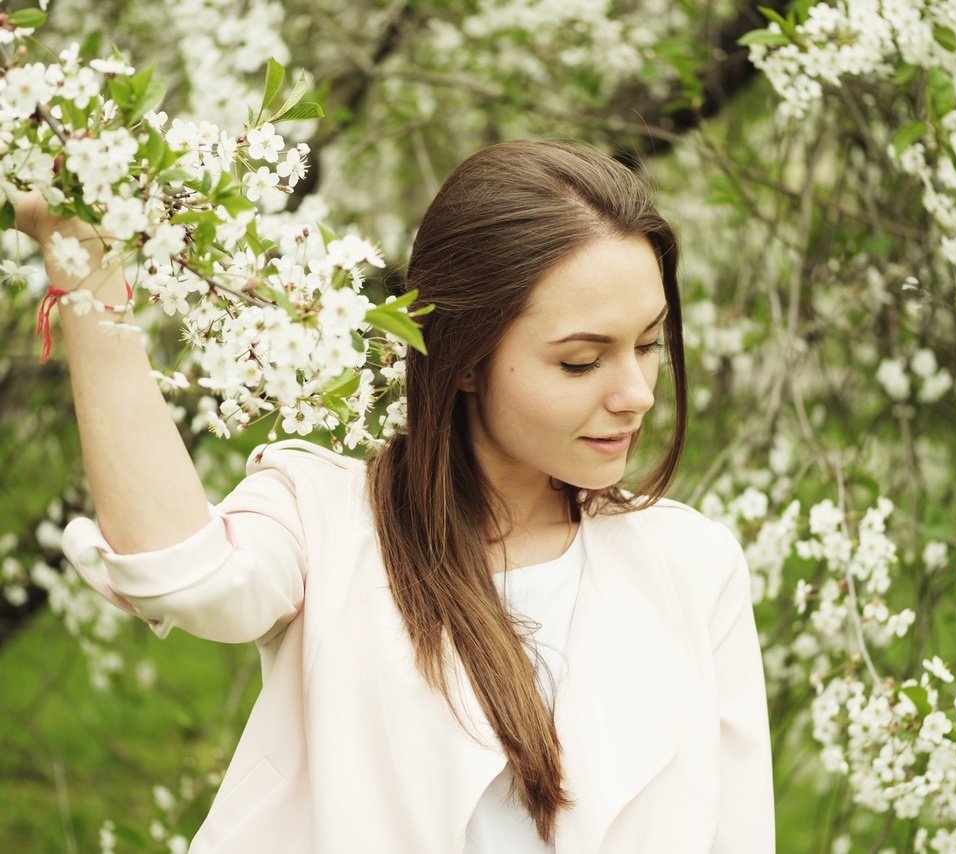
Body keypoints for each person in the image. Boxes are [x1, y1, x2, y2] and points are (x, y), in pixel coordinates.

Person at [13, 140, 775, 853]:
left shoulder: (691, 567)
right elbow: (180, 571)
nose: (637, 394)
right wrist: (87, 266)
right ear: (466, 358)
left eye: (647, 345)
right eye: (582, 361)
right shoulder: (326, 521)